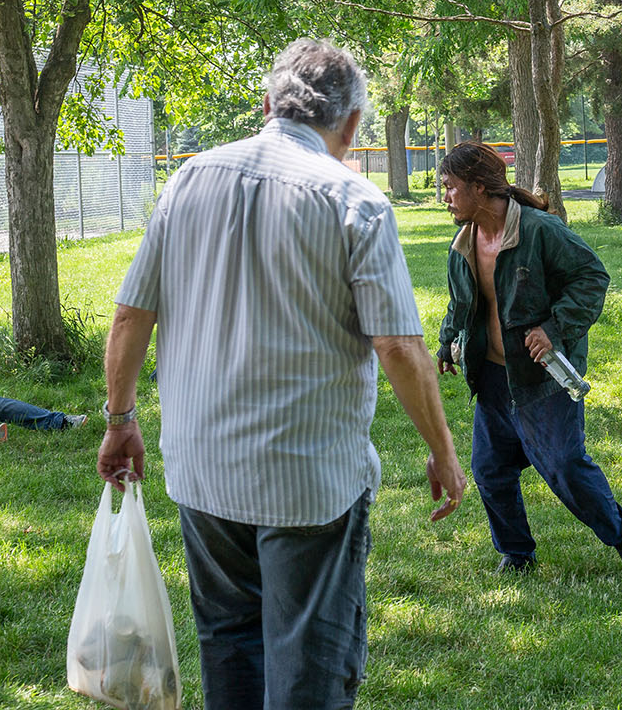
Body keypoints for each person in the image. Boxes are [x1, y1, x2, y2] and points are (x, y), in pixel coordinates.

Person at [98, 39, 467, 710]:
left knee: (229, 644)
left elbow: (130, 317)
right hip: (308, 481)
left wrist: (120, 421)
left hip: (203, 469)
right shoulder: (353, 199)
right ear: (352, 126)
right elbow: (400, 347)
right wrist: (443, 452)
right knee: (310, 664)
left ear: (268, 105)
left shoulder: (188, 178)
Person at [436, 142, 622, 579]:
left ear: (479, 188)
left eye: (450, 187)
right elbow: (462, 304)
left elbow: (592, 277)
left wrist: (554, 329)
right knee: (491, 470)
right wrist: (447, 344)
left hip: (542, 379)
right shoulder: (464, 243)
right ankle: (516, 554)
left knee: (566, 468)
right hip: (494, 379)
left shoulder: (537, 230)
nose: (445, 197)